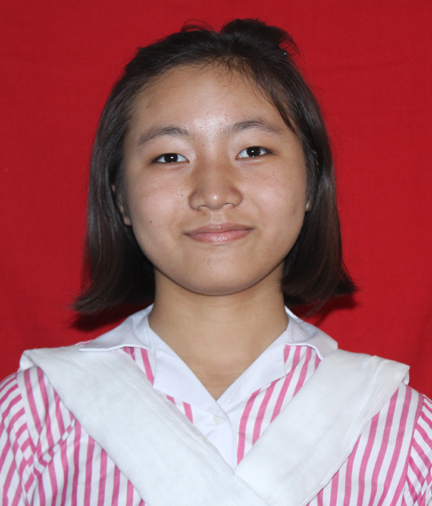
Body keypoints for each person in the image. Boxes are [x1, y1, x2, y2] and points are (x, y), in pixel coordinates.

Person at [0, 18, 431, 506]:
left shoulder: (408, 434)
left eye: (253, 150)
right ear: (120, 196)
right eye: (170, 157)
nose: (213, 192)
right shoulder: (29, 419)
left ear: (312, 180)